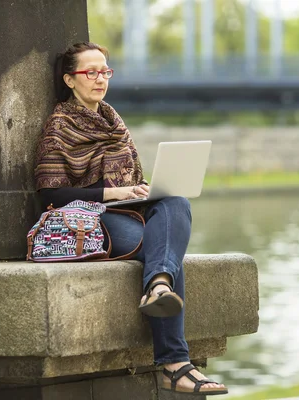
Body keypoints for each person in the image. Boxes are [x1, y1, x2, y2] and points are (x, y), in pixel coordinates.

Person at [34, 41, 227, 396]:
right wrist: (114, 194)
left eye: (105, 71)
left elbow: (131, 177)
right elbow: (50, 193)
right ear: (70, 79)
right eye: (90, 72)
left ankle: (158, 287)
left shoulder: (112, 118)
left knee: (175, 202)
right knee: (160, 248)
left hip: (128, 208)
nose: (100, 78)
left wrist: (141, 190)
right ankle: (175, 364)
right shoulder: (58, 126)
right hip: (89, 219)